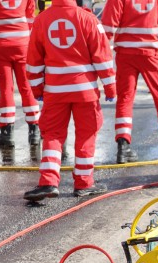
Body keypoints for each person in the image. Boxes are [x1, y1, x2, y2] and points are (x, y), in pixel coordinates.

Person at [23, 0, 116, 201]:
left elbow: (33, 59)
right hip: (85, 91)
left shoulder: (42, 20)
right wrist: (110, 87)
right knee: (86, 134)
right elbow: (102, 56)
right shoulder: (88, 18)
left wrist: (37, 88)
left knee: (53, 135)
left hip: (55, 91)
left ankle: (48, 182)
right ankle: (84, 183)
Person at [101, 0, 158, 162]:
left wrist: (102, 54)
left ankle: (123, 146)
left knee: (125, 98)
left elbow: (108, 27)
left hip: (126, 54)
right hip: (150, 54)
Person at [0, 0, 41, 149]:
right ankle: (34, 129)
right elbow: (31, 15)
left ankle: (7, 132)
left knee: (6, 88)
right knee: (27, 86)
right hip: (23, 43)